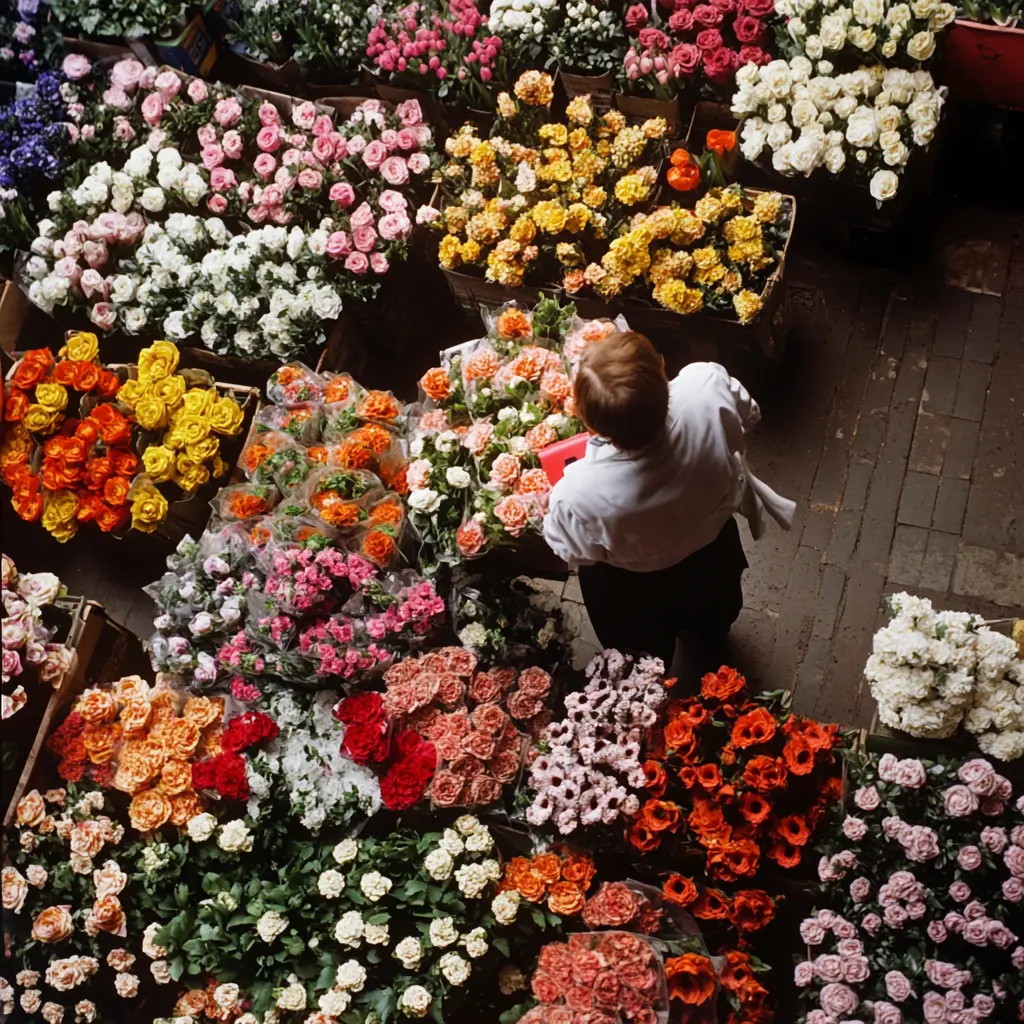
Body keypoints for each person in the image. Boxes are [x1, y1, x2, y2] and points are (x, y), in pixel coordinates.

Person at [542, 330, 795, 669]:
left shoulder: (576, 492)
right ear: (663, 370)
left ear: (589, 424)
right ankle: (708, 640)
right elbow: (749, 414)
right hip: (710, 552)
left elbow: (570, 550)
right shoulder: (703, 385)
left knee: (643, 650)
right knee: (713, 616)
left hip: (628, 586)